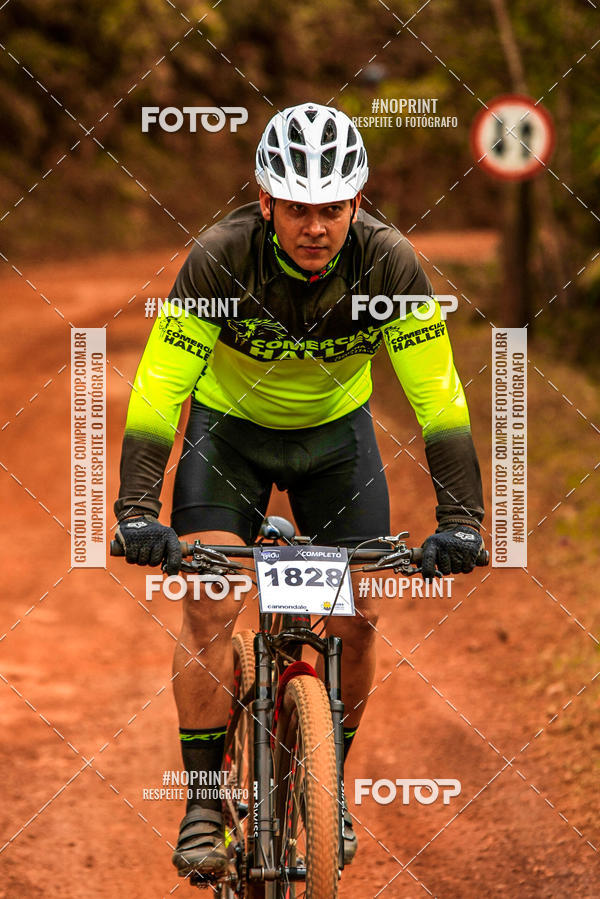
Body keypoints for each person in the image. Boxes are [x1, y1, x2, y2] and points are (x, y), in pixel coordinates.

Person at [114, 102, 484, 878]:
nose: (314, 226)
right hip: (229, 437)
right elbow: (159, 387)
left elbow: (440, 399)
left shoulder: (389, 265)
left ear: (357, 202)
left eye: (331, 208)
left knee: (360, 612)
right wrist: (138, 511)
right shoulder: (219, 259)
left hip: (335, 443)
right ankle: (205, 802)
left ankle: (325, 783)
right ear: (265, 202)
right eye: (296, 209)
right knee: (210, 599)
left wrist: (462, 520)